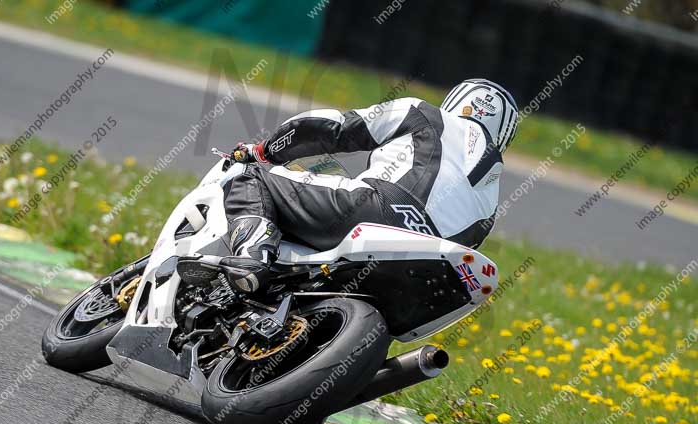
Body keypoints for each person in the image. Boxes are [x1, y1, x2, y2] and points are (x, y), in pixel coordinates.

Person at [177, 79, 519, 294]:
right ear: (505, 135)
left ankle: (254, 255)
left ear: (456, 100)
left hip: (375, 209)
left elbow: (332, 128)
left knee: (249, 178)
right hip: (428, 266)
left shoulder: (424, 113)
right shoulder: (493, 195)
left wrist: (263, 151)